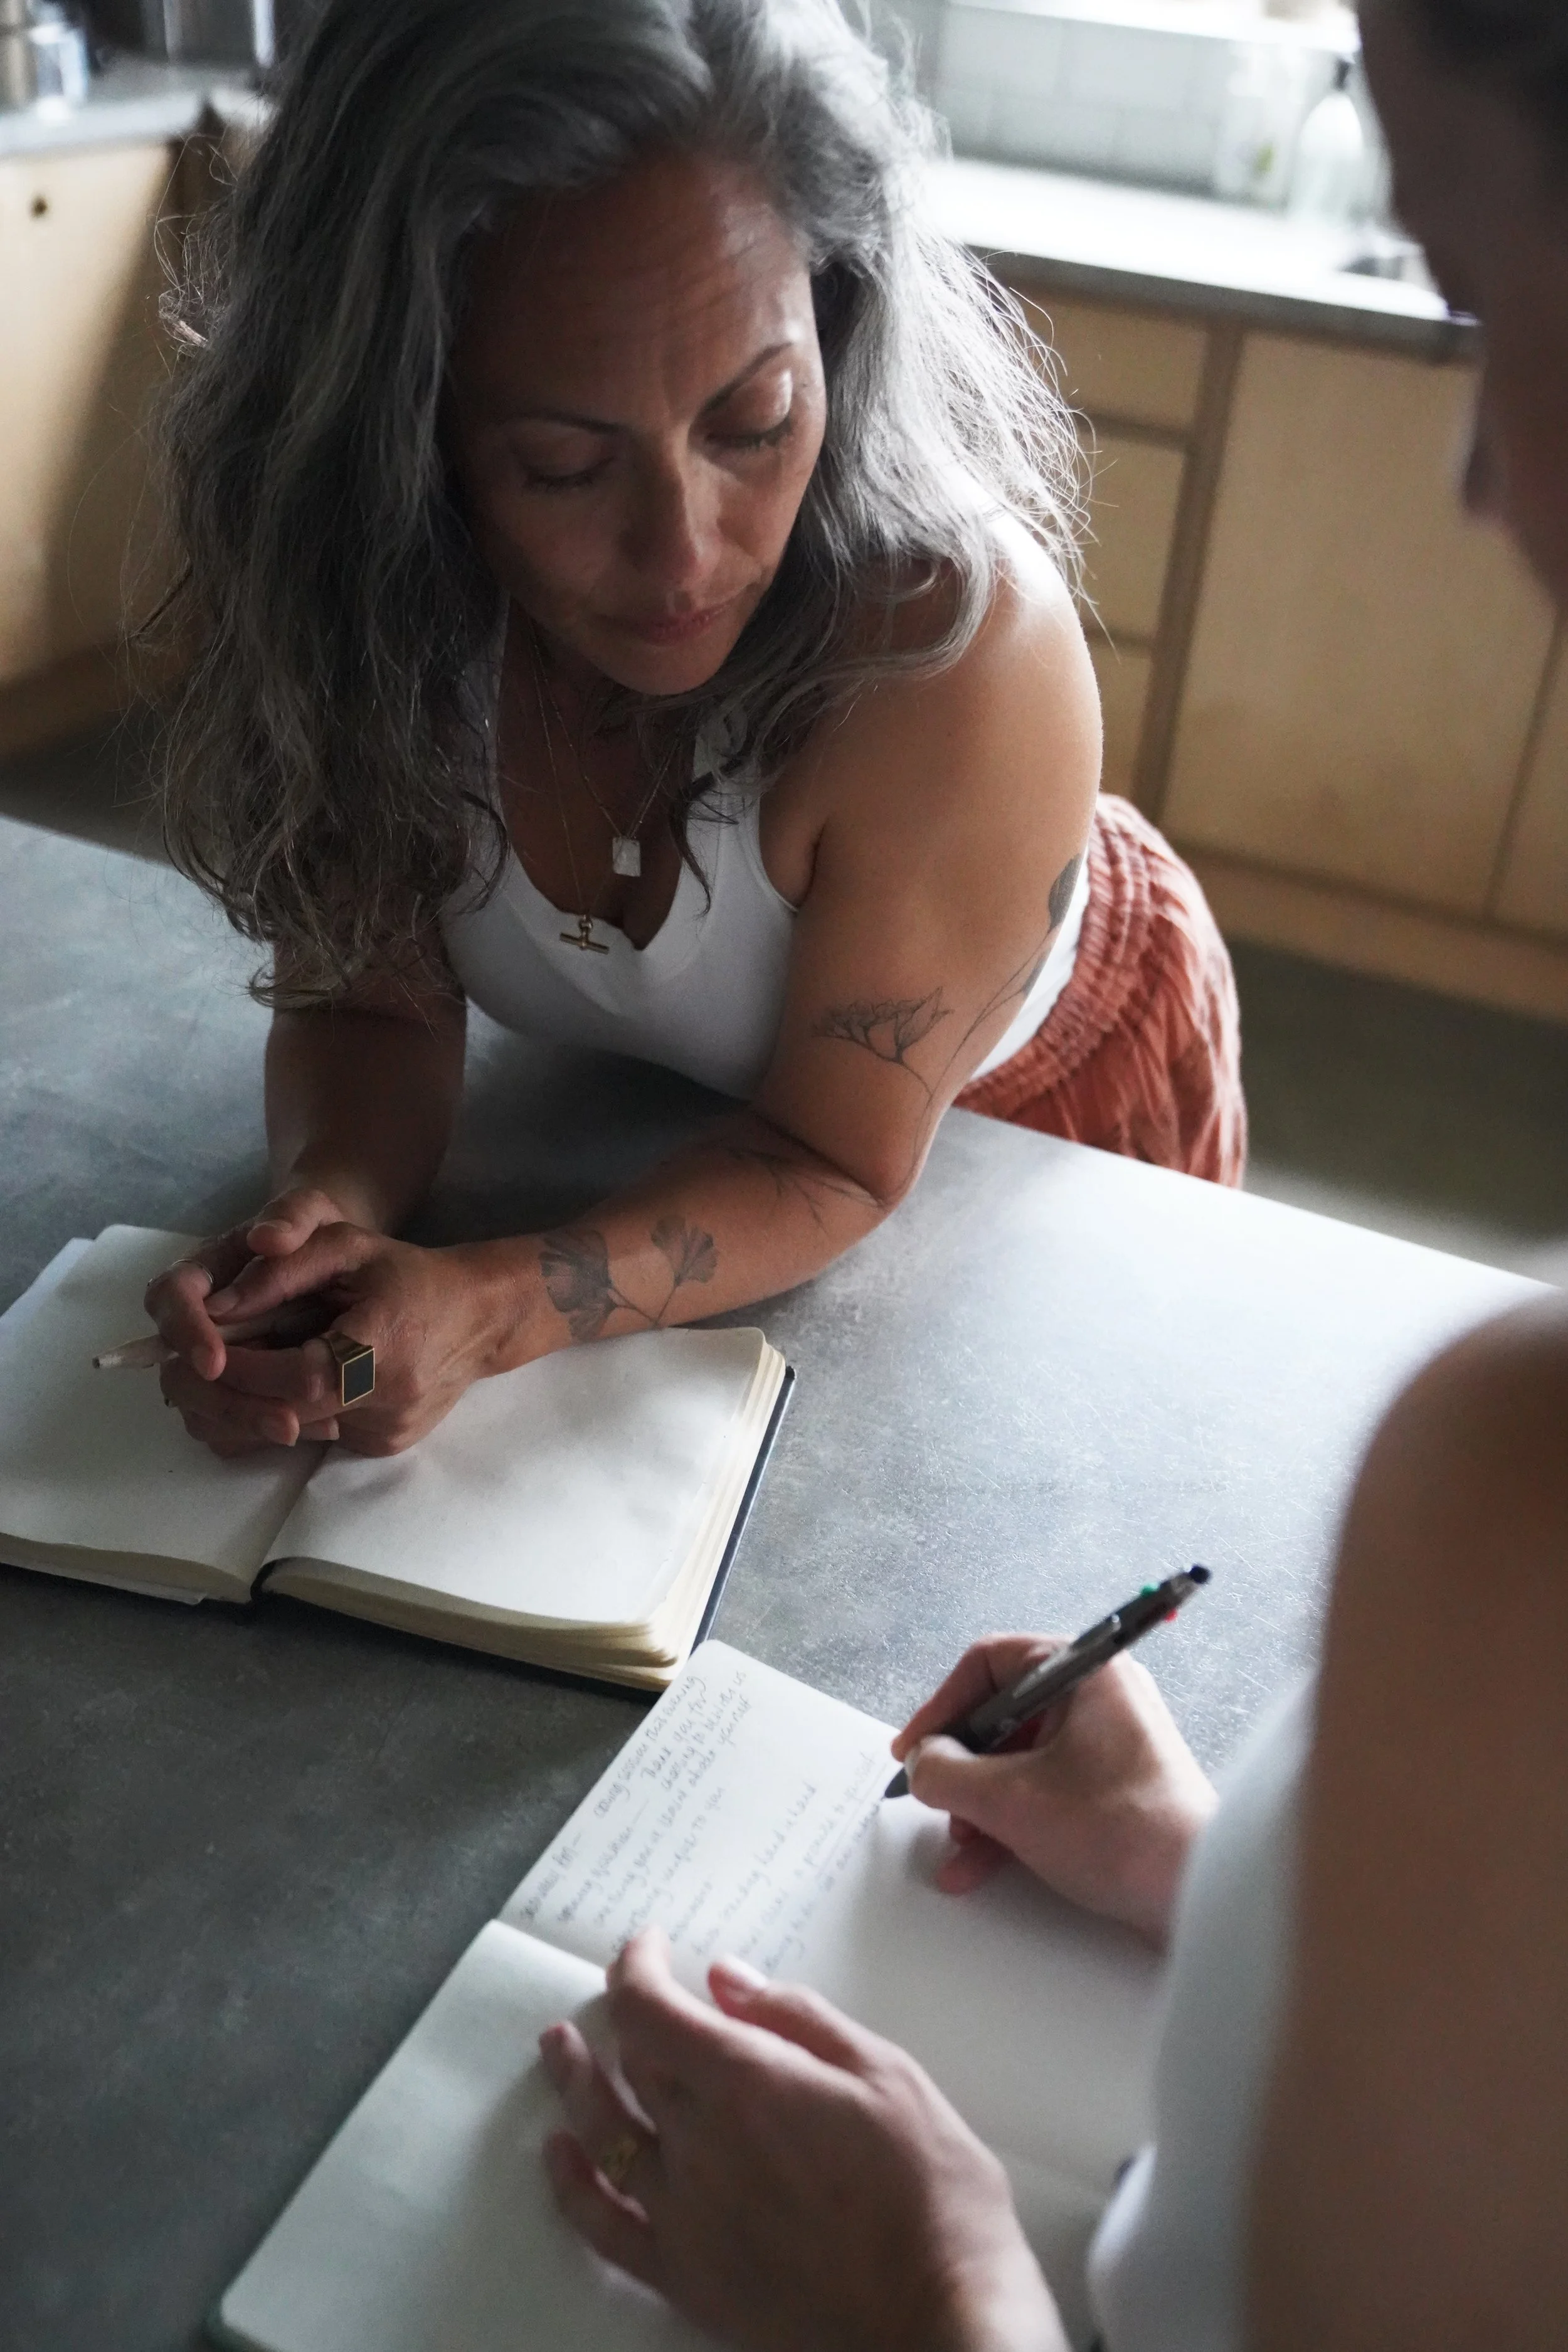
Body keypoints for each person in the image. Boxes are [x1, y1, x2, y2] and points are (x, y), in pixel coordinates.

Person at [536, 2, 1568, 2344]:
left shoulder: (1520, 1499)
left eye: (1485, 307)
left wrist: (934, 2292)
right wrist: (1235, 1884)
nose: (1479, 484)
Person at [140, 0, 1243, 1461]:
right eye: (561, 465)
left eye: (753, 422)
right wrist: (322, 1214)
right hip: (659, 1097)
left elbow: (829, 1152)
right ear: (396, 435)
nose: (684, 558)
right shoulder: (359, 599)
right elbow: (371, 996)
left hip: (1028, 1097)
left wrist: (490, 1305)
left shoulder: (951, 660)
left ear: (836, 320)